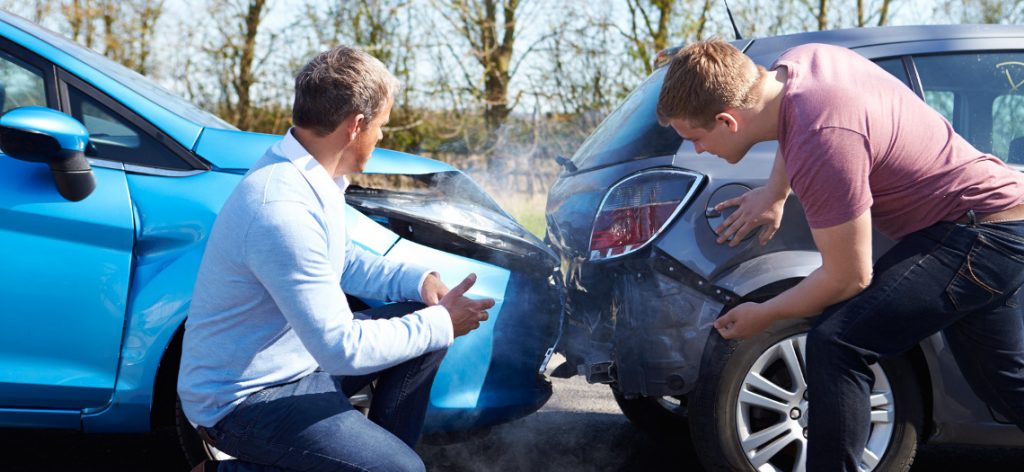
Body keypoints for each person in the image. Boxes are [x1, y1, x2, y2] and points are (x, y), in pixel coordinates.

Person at [656, 38, 1024, 471]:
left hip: (979, 236)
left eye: (696, 138)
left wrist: (766, 314)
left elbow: (849, 277)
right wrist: (776, 191)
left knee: (837, 342)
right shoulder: (800, 64)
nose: (698, 150)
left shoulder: (822, 139)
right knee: (1006, 385)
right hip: (997, 223)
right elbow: (793, 124)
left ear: (727, 120)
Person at [177, 45, 495, 472]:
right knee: (403, 469)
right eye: (382, 126)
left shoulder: (311, 175)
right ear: (356, 125)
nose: (382, 137)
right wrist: (443, 322)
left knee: (425, 317)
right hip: (244, 400)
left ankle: (366, 459)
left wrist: (420, 282)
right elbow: (340, 349)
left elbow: (339, 261)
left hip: (297, 363)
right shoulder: (280, 207)